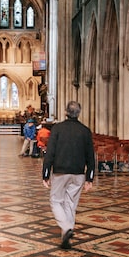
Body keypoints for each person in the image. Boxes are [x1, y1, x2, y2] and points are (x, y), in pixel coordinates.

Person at [42, 101, 95, 249]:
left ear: (66, 112)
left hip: (60, 172)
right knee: (70, 204)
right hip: (78, 173)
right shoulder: (85, 131)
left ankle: (66, 228)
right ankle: (66, 238)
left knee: (56, 201)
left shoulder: (58, 128)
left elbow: (50, 151)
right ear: (79, 113)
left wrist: (46, 173)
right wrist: (90, 177)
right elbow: (90, 155)